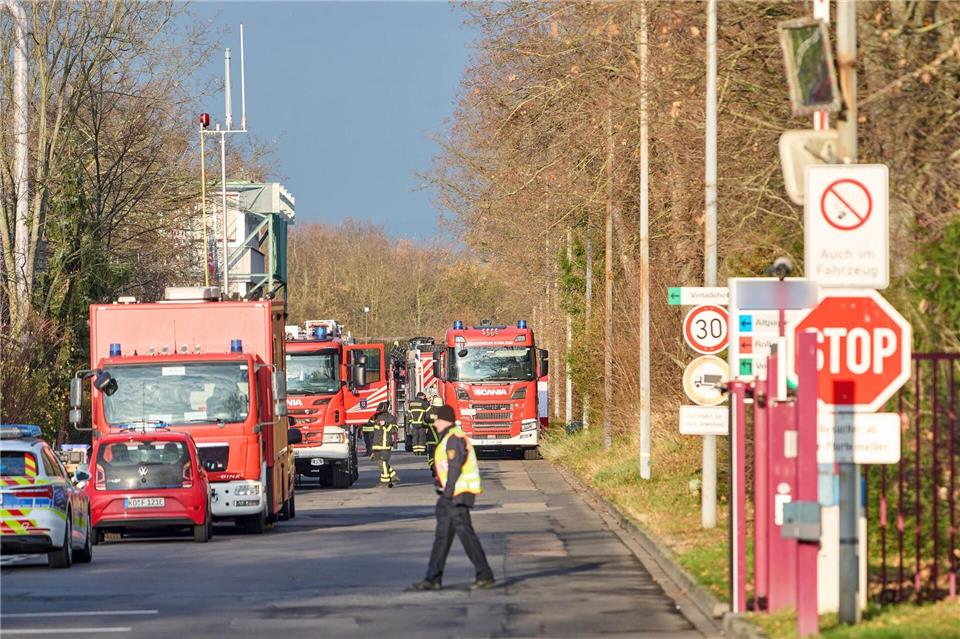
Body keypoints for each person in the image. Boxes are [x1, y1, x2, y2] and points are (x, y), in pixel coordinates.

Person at [412, 404, 494, 591]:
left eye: (437, 420)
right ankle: (433, 578)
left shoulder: (454, 438)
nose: (435, 424)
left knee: (466, 536)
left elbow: (455, 468)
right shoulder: (448, 437)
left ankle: (485, 575)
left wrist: (447, 494)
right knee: (442, 537)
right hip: (451, 495)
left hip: (457, 496)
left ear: (445, 420)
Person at [369, 402, 399, 487]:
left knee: (384, 463)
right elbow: (369, 423)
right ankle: (393, 476)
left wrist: (385, 424)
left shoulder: (391, 418)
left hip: (385, 445)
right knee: (381, 464)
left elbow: (394, 430)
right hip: (376, 445)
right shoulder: (375, 417)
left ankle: (385, 482)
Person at [423, 396, 443, 474]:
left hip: (431, 438)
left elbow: (424, 423)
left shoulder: (429, 412)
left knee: (431, 454)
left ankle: (433, 465)